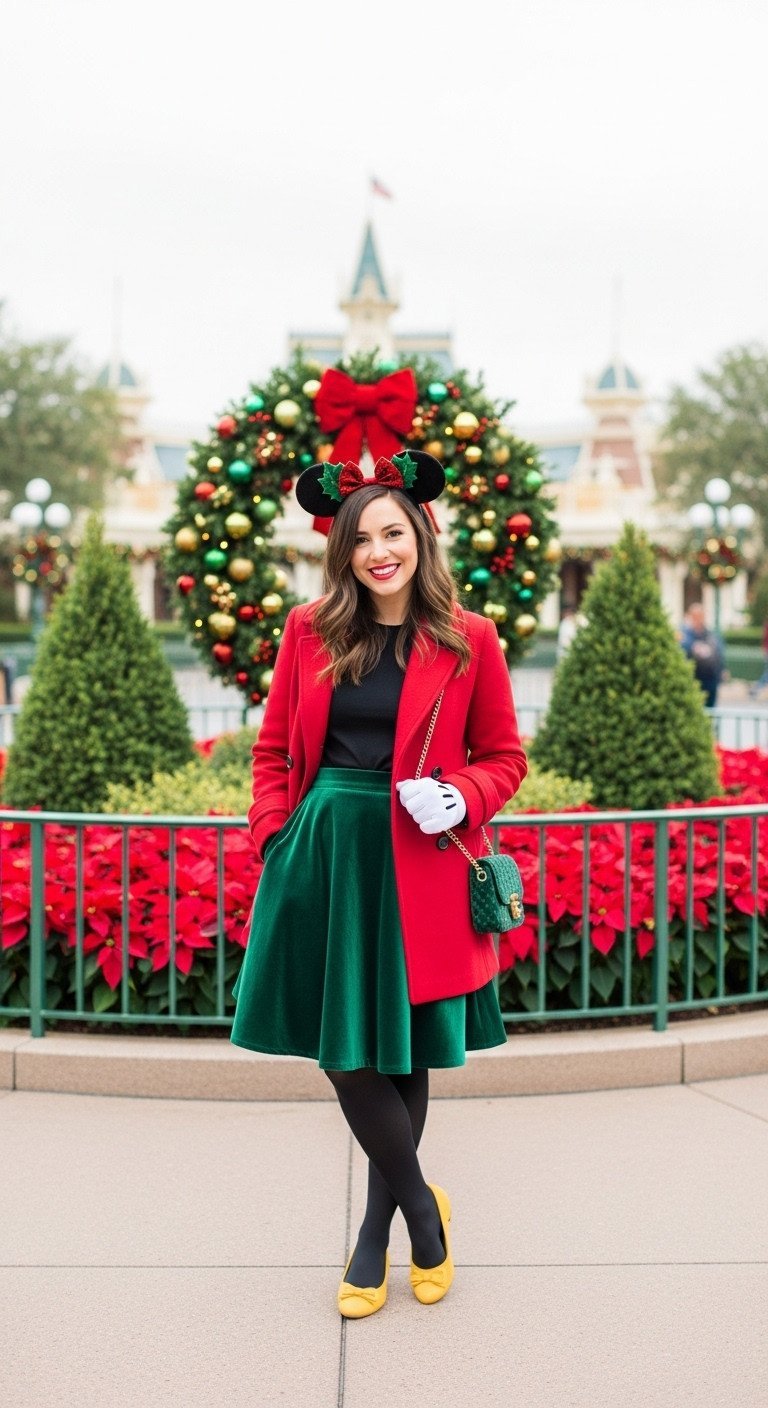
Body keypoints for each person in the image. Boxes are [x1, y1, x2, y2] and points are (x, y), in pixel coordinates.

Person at [230, 448, 527, 1319]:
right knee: (346, 1057)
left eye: (392, 532)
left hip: (420, 860)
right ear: (343, 550)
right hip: (324, 858)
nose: (378, 551)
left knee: (400, 1051)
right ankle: (424, 1216)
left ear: (420, 536)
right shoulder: (307, 629)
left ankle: (377, 1238)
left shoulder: (467, 637)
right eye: (361, 538)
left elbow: (506, 757)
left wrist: (460, 795)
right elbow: (276, 752)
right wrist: (273, 837)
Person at [680, 602, 725, 707]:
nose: (698, 619)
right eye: (695, 616)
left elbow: (718, 653)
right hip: (694, 679)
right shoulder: (685, 635)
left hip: (710, 680)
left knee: (710, 709)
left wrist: (722, 669)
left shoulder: (710, 634)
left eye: (701, 616)